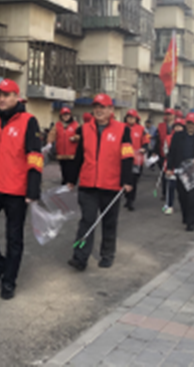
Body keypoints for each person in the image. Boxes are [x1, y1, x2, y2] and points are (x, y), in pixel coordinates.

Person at [0, 79, 43, 300]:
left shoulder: (28, 121)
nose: (1, 99)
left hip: (16, 191)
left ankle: (9, 281)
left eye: (5, 95)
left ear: (16, 96)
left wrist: (33, 189)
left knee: (14, 238)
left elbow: (35, 157)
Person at [67, 94, 134, 271]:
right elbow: (79, 156)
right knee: (87, 221)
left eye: (103, 107)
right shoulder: (84, 129)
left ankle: (107, 255)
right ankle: (80, 258)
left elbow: (127, 157)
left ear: (111, 109)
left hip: (111, 185)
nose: (99, 110)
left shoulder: (122, 130)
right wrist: (71, 179)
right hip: (88, 184)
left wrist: (127, 180)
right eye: (96, 106)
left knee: (109, 222)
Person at [165, 113, 194, 231]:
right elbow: (172, 153)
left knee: (192, 197)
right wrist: (169, 168)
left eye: (193, 123)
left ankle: (191, 221)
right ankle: (185, 216)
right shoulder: (177, 136)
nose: (190, 126)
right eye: (189, 123)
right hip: (180, 169)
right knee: (182, 195)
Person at [46, 107, 79, 186]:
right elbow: (52, 134)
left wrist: (75, 138)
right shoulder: (57, 125)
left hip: (72, 154)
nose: (66, 116)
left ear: (70, 115)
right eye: (64, 115)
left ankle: (70, 183)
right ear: (61, 116)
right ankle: (65, 183)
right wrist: (49, 143)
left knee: (71, 170)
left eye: (67, 115)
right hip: (61, 153)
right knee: (64, 170)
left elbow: (80, 135)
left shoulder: (76, 125)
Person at [124, 109, 149, 212]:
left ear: (136, 119)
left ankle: (131, 200)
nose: (130, 119)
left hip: (136, 160)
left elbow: (146, 141)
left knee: (133, 180)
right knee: (125, 179)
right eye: (129, 117)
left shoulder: (141, 129)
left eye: (132, 117)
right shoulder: (122, 127)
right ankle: (127, 197)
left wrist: (144, 148)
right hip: (124, 159)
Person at [162, 119, 184, 215]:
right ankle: (169, 205)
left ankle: (184, 205)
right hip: (171, 165)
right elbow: (165, 151)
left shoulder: (187, 138)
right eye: (176, 126)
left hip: (183, 167)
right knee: (170, 187)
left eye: (180, 126)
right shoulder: (168, 138)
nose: (178, 128)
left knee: (182, 188)